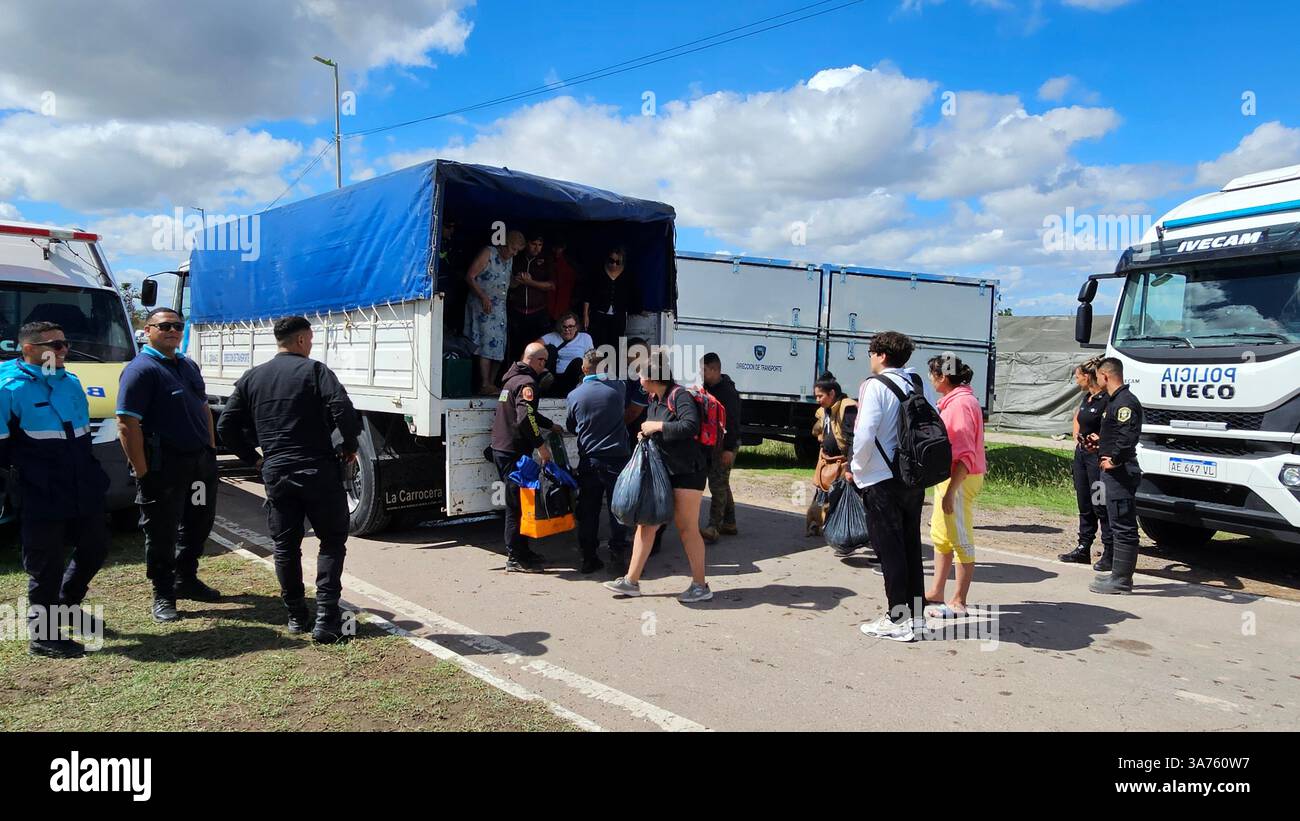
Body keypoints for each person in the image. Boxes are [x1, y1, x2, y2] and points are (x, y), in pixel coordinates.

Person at [216, 316, 361, 643]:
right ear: (300, 340)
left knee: (285, 546)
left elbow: (225, 426)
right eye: (309, 339)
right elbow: (342, 408)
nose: (311, 345)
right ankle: (326, 616)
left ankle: (296, 614)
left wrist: (254, 459)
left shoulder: (253, 378)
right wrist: (349, 446)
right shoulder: (314, 371)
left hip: (278, 472)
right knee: (332, 541)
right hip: (318, 470)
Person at [0, 322, 111, 658]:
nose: (64, 350)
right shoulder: (8, 388)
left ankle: (67, 603)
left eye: (66, 343)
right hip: (40, 490)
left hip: (82, 483)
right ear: (29, 349)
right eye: (56, 345)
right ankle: (44, 636)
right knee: (45, 565)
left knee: (95, 548)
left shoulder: (72, 381)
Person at [117, 308, 221, 623]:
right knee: (161, 531)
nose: (173, 330)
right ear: (147, 330)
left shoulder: (187, 365)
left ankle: (186, 578)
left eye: (177, 325)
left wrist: (211, 451)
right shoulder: (141, 370)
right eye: (165, 326)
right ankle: (163, 593)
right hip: (164, 468)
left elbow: (204, 409)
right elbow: (126, 424)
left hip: (199, 466)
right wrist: (142, 471)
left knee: (198, 522)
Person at [604, 350, 713, 603]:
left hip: (688, 472)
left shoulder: (679, 395)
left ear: (652, 376)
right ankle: (631, 581)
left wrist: (657, 427)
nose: (639, 379)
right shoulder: (655, 399)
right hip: (663, 471)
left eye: (641, 375)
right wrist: (647, 434)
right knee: (647, 523)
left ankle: (700, 585)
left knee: (687, 529)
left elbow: (690, 426)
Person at [849, 331, 926, 642]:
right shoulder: (917, 382)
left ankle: (897, 618)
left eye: (871, 352)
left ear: (881, 355)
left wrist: (856, 468)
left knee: (889, 550)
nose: (870, 358)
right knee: (910, 547)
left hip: (881, 478)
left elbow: (865, 432)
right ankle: (916, 617)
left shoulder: (874, 386)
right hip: (913, 476)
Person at [923, 355, 986, 618]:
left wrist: (950, 492)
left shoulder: (960, 404)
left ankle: (959, 600)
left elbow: (964, 454)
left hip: (960, 478)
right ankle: (937, 592)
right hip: (950, 478)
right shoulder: (956, 400)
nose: (930, 378)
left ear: (942, 377)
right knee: (941, 535)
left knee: (960, 537)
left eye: (932, 373)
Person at [490, 342, 555, 572]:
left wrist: (550, 425)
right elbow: (525, 418)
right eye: (544, 361)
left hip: (503, 448)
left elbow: (529, 412)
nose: (545, 366)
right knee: (516, 504)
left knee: (521, 501)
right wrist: (541, 446)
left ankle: (523, 550)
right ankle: (514, 557)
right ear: (537, 361)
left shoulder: (511, 380)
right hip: (513, 451)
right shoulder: (528, 383)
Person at [565, 348, 631, 573]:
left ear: (584, 368)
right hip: (616, 458)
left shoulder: (574, 395)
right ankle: (618, 556)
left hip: (590, 459)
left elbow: (571, 426)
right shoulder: (619, 388)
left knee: (589, 509)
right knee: (618, 509)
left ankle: (588, 557)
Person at [1089, 357, 1143, 595]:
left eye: (1098, 376)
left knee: (1123, 525)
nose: (1097, 380)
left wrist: (1115, 459)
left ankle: (1122, 580)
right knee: (1116, 521)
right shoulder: (1114, 401)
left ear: (1106, 376)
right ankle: (1117, 574)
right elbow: (1115, 434)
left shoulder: (1125, 402)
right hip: (1113, 470)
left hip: (1121, 471)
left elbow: (1127, 435)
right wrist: (1100, 444)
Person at [1058, 357, 1113, 570]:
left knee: (1100, 503)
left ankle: (1110, 550)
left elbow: (1111, 427)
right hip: (1082, 457)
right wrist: (1077, 436)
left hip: (1096, 459)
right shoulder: (1087, 398)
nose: (1077, 381)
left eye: (1078, 377)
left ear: (1088, 377)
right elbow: (1077, 418)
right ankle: (1083, 547)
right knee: (1085, 503)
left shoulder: (1106, 400)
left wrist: (1099, 440)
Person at [466, 229, 525, 394]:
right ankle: (484, 383)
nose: (514, 253)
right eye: (513, 249)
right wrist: (483, 297)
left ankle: (491, 383)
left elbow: (508, 284)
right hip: (483, 305)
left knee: (499, 344)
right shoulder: (489, 252)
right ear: (504, 244)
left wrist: (517, 281)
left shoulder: (510, 260)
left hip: (499, 308)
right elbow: (470, 276)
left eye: (517, 251)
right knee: (485, 342)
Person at [809, 372, 858, 548]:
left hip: (842, 465)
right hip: (826, 463)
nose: (817, 400)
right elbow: (819, 428)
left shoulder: (848, 408)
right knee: (822, 497)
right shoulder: (824, 410)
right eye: (816, 396)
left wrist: (851, 467)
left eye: (820, 396)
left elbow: (854, 440)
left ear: (831, 394)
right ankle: (819, 525)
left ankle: (845, 536)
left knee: (841, 501)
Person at [699, 352, 742, 543]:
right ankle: (730, 523)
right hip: (713, 443)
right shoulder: (707, 388)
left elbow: (733, 423)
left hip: (725, 445)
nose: (701, 373)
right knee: (721, 482)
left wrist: (728, 449)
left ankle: (713, 527)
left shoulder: (728, 393)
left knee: (717, 484)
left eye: (704, 370)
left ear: (715, 370)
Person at [508, 232, 554, 362]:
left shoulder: (546, 259)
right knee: (516, 349)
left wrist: (530, 282)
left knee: (538, 348)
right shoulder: (516, 256)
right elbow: (506, 282)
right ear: (526, 243)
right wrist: (517, 280)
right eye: (533, 244)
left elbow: (551, 285)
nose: (537, 248)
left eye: (540, 245)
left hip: (538, 312)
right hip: (517, 311)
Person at [582, 246, 639, 350]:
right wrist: (585, 314)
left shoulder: (627, 275)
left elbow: (633, 294)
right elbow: (588, 294)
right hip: (599, 314)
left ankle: (613, 365)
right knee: (597, 342)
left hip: (618, 315)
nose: (614, 264)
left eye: (618, 262)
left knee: (615, 344)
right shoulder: (598, 272)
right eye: (611, 261)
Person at [541, 312, 594, 396]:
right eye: (564, 327)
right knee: (550, 349)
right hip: (552, 377)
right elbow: (534, 347)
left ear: (576, 327)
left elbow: (592, 360)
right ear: (560, 327)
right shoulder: (553, 336)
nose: (567, 330)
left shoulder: (585, 338)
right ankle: (545, 382)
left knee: (578, 362)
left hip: (571, 378)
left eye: (570, 327)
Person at [547, 235, 579, 322]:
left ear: (564, 248)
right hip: (548, 305)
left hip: (565, 304)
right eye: (555, 248)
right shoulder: (547, 260)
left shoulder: (571, 264)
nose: (557, 250)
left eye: (560, 248)